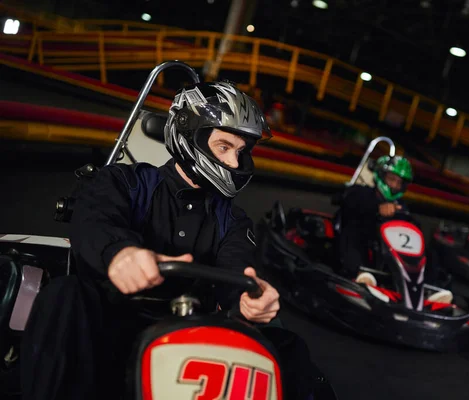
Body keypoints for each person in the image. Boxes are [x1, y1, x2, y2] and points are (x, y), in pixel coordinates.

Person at [20, 81, 318, 400]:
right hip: (108, 322)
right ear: (190, 136)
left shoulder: (232, 220)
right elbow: (94, 220)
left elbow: (238, 268)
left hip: (190, 331)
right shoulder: (124, 182)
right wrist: (120, 254)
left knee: (288, 346)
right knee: (64, 294)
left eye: (241, 152)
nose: (234, 163)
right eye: (224, 147)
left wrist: (249, 300)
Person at [337, 155, 451, 302]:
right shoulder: (362, 192)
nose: (395, 186)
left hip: (388, 253)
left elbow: (412, 227)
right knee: (355, 231)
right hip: (364, 247)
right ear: (381, 176)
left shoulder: (401, 206)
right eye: (392, 179)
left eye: (399, 183)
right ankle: (360, 278)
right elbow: (347, 201)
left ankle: (427, 290)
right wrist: (377, 208)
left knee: (430, 254)